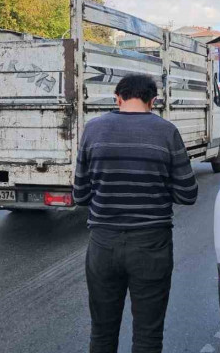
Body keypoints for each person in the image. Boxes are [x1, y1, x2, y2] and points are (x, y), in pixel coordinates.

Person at [73, 74, 198, 353]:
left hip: (103, 245)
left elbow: (79, 195)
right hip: (152, 245)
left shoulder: (92, 130)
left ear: (117, 98)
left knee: (102, 332)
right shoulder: (167, 132)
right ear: (152, 101)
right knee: (148, 335)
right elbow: (188, 194)